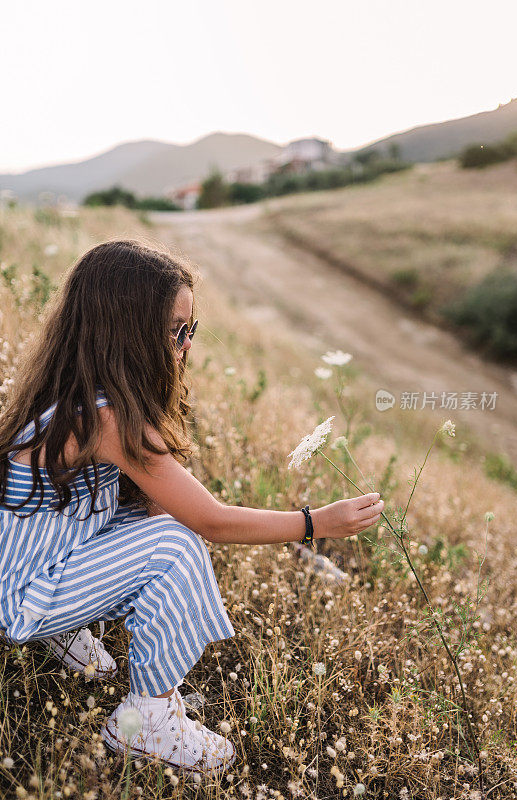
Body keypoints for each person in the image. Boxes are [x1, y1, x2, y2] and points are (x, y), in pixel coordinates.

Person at [0, 239, 384, 777]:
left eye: (190, 330)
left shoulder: (74, 393)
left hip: (25, 569)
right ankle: (148, 720)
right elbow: (212, 520)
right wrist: (315, 523)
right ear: (127, 331)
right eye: (174, 331)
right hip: (22, 596)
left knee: (156, 520)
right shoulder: (106, 419)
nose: (184, 345)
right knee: (176, 545)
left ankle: (64, 631)